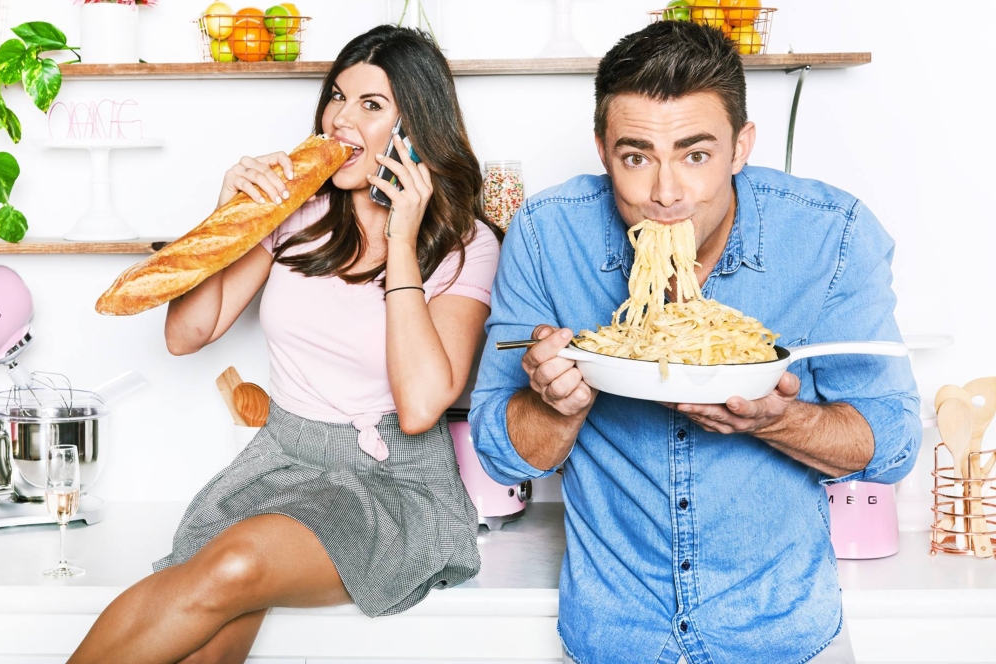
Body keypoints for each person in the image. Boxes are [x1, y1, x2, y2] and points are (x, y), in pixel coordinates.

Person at [470, 20, 920, 664]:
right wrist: (555, 405)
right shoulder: (546, 235)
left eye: (696, 155)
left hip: (781, 634)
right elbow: (500, 456)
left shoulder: (830, 236)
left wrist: (777, 419)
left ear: (741, 147)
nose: (666, 194)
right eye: (636, 158)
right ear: (603, 151)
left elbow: (892, 444)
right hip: (615, 633)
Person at [70, 25, 501, 664]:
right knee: (205, 648)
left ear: (416, 130)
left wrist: (402, 241)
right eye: (337, 98)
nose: (340, 120)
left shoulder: (468, 246)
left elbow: (418, 408)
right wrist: (227, 217)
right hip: (279, 462)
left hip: (390, 484)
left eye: (371, 105)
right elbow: (186, 336)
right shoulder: (296, 212)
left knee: (234, 565)